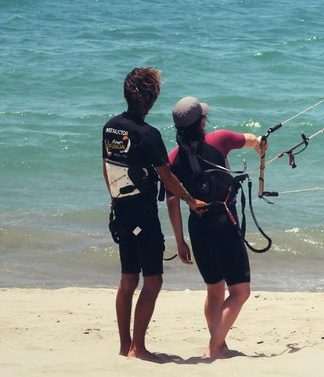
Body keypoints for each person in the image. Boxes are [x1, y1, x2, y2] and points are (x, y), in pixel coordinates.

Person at [102, 67, 208, 362]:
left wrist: (113, 199)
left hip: (120, 212)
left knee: (127, 279)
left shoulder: (111, 127)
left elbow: (107, 168)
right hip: (143, 217)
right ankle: (139, 347)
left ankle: (125, 346)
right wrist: (190, 199)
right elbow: (167, 178)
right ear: (152, 98)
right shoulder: (148, 134)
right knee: (153, 281)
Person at [166, 96, 267, 360]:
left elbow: (172, 200)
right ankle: (214, 346)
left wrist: (179, 242)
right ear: (201, 122)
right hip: (223, 222)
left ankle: (219, 345)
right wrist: (259, 144)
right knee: (240, 291)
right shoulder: (219, 139)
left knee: (214, 289)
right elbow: (250, 139)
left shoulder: (172, 159)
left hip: (197, 227)